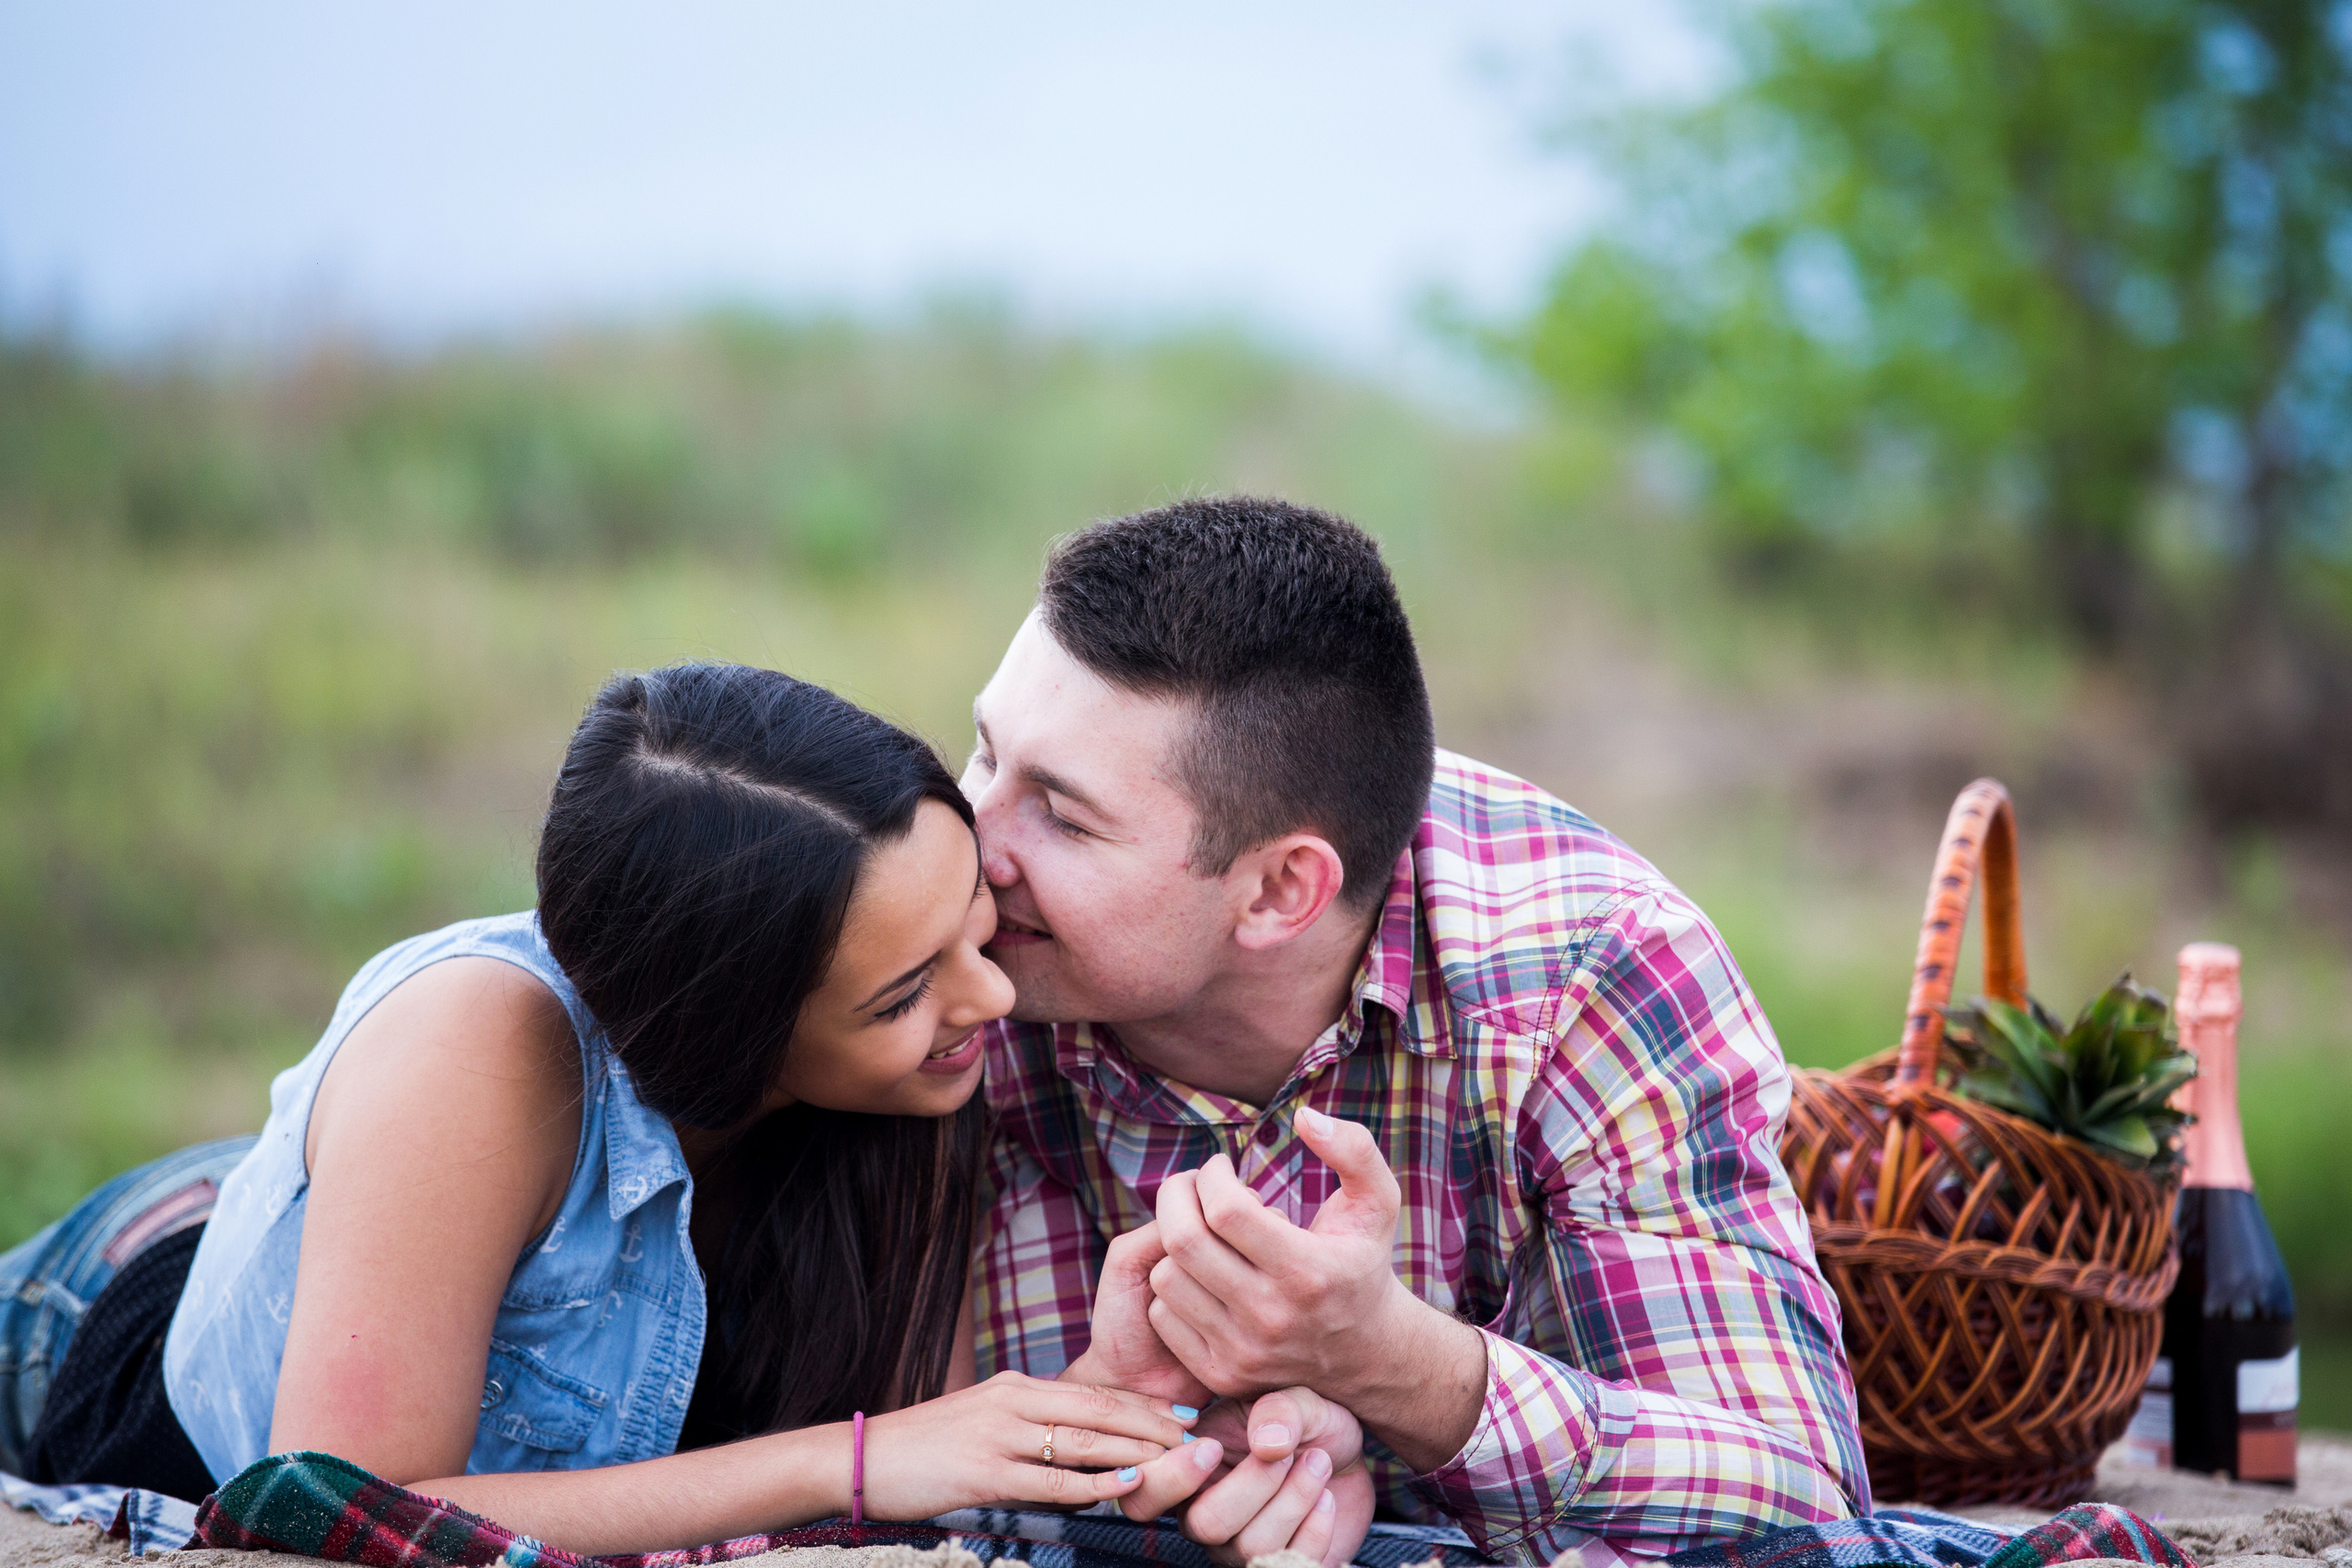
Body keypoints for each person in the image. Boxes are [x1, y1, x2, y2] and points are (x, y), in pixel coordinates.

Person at [0, 663, 1205, 1557]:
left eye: (971, 921)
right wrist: (856, 1459)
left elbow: (932, 1449)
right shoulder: (476, 1053)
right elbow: (326, 1503)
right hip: (135, 1318)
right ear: (732, 1028)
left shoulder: (925, 1077)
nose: (991, 992)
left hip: (401, 1237)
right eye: (905, 990)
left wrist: (1092, 1410)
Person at [962, 498, 1871, 1568]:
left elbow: (1802, 1508)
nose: (974, 838)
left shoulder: (1590, 971)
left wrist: (1390, 1364)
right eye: (983, 753)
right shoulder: (925, 936)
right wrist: (1157, 1451)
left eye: (1062, 817)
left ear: (1279, 891)